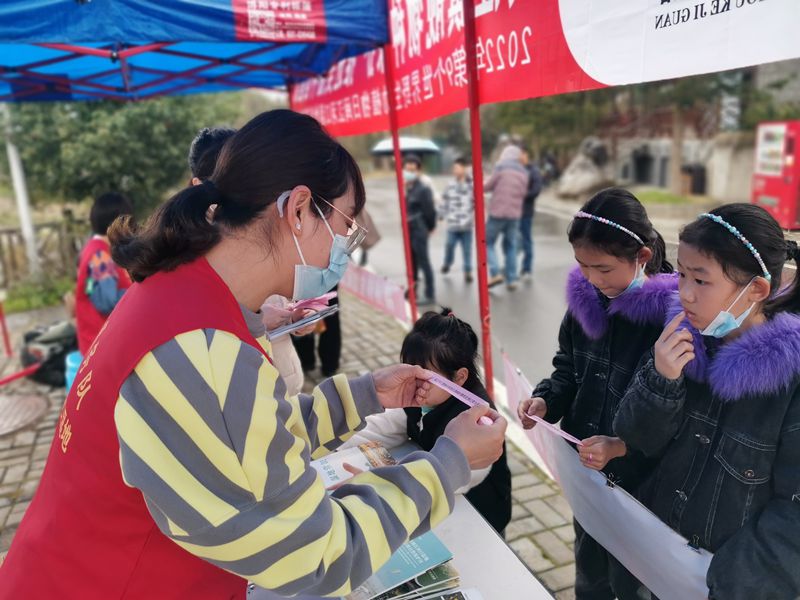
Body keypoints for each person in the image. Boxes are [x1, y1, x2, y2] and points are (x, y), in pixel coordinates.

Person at [0, 110, 508, 599]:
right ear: (299, 208)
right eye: (346, 227)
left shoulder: (179, 297)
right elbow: (321, 556)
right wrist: (449, 463)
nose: (346, 250)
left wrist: (366, 394)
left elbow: (247, 437)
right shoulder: (201, 352)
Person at [613, 204, 800, 599]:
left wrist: (730, 578)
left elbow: (792, 512)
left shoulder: (789, 383)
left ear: (756, 290)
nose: (684, 293)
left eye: (701, 280)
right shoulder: (679, 341)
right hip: (653, 557)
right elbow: (638, 439)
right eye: (681, 273)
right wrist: (661, 380)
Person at [517, 188, 676, 600]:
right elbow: (567, 368)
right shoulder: (585, 302)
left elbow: (678, 416)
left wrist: (622, 446)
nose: (592, 279)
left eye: (603, 268)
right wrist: (546, 400)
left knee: (635, 581)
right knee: (590, 572)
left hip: (642, 486)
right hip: (587, 472)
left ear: (641, 257)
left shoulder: (672, 323)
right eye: (582, 266)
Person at [341, 308, 512, 534]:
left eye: (427, 376)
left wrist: (384, 482)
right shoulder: (423, 394)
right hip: (435, 502)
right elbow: (387, 424)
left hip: (478, 511)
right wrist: (335, 442)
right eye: (410, 370)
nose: (414, 381)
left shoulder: (480, 421)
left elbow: (459, 477)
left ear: (459, 377)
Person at [188, 125, 307, 396]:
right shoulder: (191, 246)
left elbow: (279, 292)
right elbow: (199, 328)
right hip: (241, 392)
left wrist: (295, 317)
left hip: (284, 374)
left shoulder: (265, 223)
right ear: (198, 185)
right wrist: (260, 320)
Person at [74, 192, 133, 355]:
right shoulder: (101, 257)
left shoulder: (93, 248)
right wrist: (137, 293)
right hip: (101, 345)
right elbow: (108, 302)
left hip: (94, 341)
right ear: (117, 223)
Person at [485, 145, 529, 291]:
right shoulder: (524, 172)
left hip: (498, 212)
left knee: (488, 242)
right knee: (511, 245)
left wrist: (477, 183)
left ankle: (495, 272)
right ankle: (511, 279)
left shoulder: (501, 167)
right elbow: (523, 193)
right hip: (514, 214)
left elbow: (489, 185)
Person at [404, 154, 437, 305]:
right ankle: (413, 290)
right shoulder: (407, 188)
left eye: (412, 168)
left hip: (419, 228)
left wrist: (431, 226)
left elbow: (430, 211)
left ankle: (430, 293)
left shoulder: (423, 189)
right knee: (412, 262)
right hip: (409, 229)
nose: (409, 171)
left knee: (423, 261)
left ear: (418, 170)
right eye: (407, 168)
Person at [440, 157, 475, 283]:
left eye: (456, 168)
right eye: (453, 168)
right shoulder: (450, 185)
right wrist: (441, 214)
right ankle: (447, 263)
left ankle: (468, 272)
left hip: (467, 225)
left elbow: (477, 202)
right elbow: (444, 200)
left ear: (464, 168)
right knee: (449, 245)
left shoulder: (472, 185)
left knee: (467, 250)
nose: (454, 170)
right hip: (453, 224)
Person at [519, 147, 543, 280]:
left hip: (525, 211)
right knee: (511, 241)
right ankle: (510, 267)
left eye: (522, 154)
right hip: (511, 211)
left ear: (527, 155)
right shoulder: (515, 170)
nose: (520, 157)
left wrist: (521, 195)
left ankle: (527, 267)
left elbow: (536, 190)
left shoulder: (533, 171)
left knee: (526, 239)